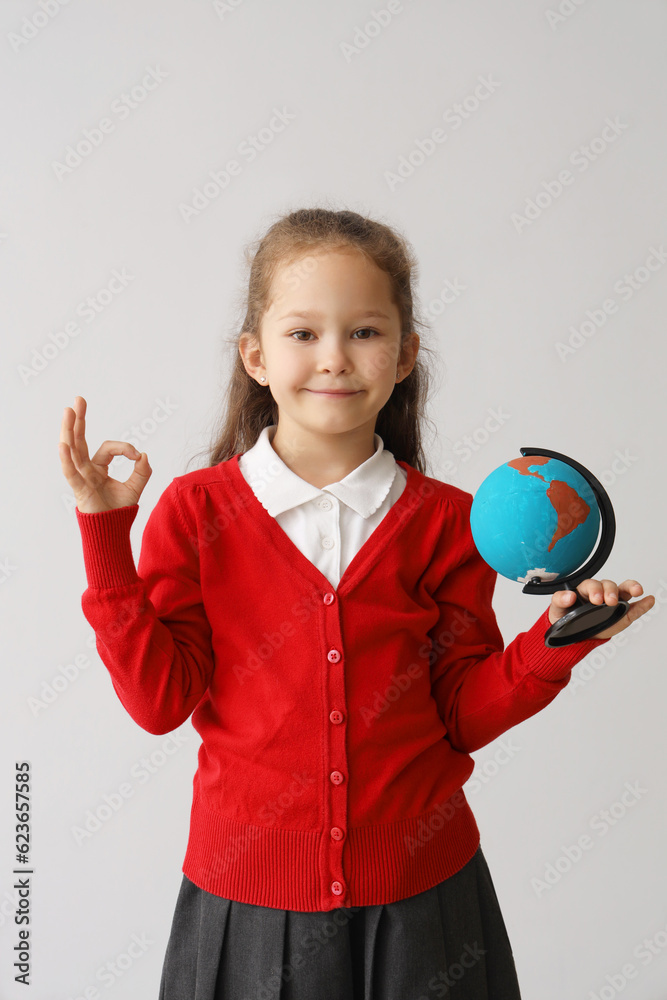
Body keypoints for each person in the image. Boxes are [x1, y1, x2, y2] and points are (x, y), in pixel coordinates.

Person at [59, 207, 655, 1000]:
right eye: (302, 334)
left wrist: (552, 645)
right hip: (247, 909)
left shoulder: (448, 521)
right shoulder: (197, 512)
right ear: (255, 356)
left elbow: (460, 712)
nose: (334, 358)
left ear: (405, 355)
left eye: (365, 333)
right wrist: (107, 537)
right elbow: (159, 702)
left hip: (425, 904)